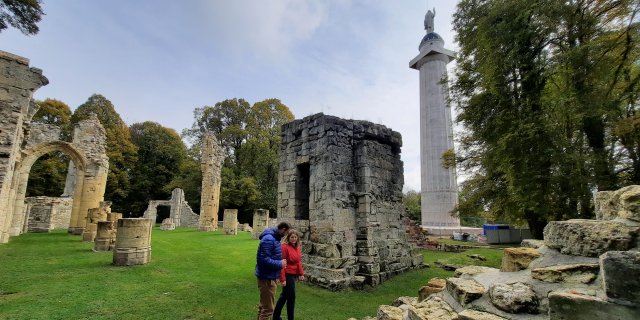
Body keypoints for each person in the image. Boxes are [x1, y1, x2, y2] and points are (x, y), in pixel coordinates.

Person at [256, 221, 291, 320]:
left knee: (264, 306)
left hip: (270, 276)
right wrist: (280, 263)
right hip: (267, 278)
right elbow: (263, 260)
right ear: (283, 229)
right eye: (287, 233)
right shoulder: (269, 239)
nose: (286, 235)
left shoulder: (274, 238)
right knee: (268, 309)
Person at [273, 229, 304, 320]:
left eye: (295, 237)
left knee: (284, 296)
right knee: (291, 297)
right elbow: (282, 263)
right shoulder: (284, 247)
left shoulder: (297, 247)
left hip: (293, 275)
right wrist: (283, 279)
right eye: (292, 237)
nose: (294, 239)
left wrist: (301, 273)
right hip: (287, 275)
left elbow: (298, 262)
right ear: (288, 238)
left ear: (297, 238)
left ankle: (276, 317)